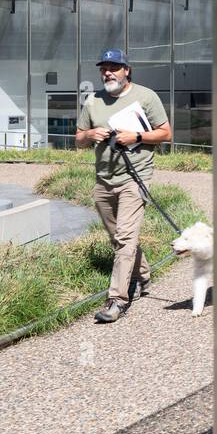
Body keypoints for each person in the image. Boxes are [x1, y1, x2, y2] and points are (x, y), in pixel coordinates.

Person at [75, 48, 173, 322]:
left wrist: (136, 136)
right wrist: (91, 134)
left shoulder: (146, 96)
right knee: (118, 238)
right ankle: (142, 275)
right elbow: (79, 139)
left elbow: (166, 133)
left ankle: (117, 300)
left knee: (126, 238)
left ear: (126, 70)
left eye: (114, 67)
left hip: (135, 178)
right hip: (104, 180)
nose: (108, 72)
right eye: (104, 68)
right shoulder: (93, 101)